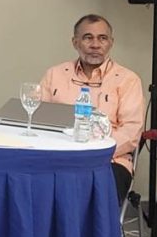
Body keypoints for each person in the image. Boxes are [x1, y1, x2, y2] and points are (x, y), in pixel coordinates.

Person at [39, 14, 145, 204]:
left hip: (107, 161)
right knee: (27, 184)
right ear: (75, 42)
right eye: (88, 37)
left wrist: (92, 153)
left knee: (91, 193)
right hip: (58, 157)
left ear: (110, 43)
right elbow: (37, 119)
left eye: (102, 38)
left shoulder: (128, 80)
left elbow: (131, 132)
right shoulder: (55, 74)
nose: (95, 44)